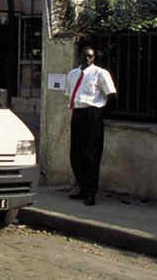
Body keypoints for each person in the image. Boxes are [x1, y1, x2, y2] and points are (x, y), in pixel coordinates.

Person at [65, 46, 116, 206]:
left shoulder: (100, 73)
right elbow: (70, 94)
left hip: (93, 114)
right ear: (80, 57)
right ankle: (82, 188)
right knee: (76, 154)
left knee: (91, 155)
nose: (87, 59)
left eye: (90, 56)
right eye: (84, 56)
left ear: (94, 58)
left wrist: (101, 114)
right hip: (78, 114)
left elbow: (112, 95)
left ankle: (91, 193)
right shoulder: (72, 74)